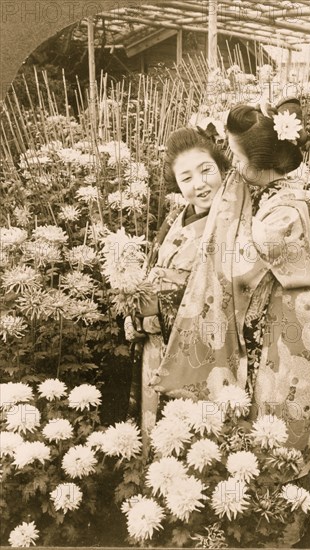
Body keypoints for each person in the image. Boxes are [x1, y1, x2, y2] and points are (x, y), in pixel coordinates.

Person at [152, 98, 310, 545]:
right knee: (265, 417)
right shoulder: (272, 191)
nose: (228, 162)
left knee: (283, 420)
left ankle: (281, 528)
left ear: (257, 165)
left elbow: (236, 270)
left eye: (233, 154)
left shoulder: (280, 214)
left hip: (291, 333)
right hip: (280, 320)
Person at [125, 127, 229, 451]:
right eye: (186, 178)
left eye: (206, 170)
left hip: (194, 350)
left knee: (189, 439)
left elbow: (224, 292)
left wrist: (154, 313)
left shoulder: (230, 223)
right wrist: (134, 313)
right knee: (153, 430)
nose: (198, 184)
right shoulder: (175, 217)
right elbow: (151, 271)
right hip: (154, 346)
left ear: (222, 167)